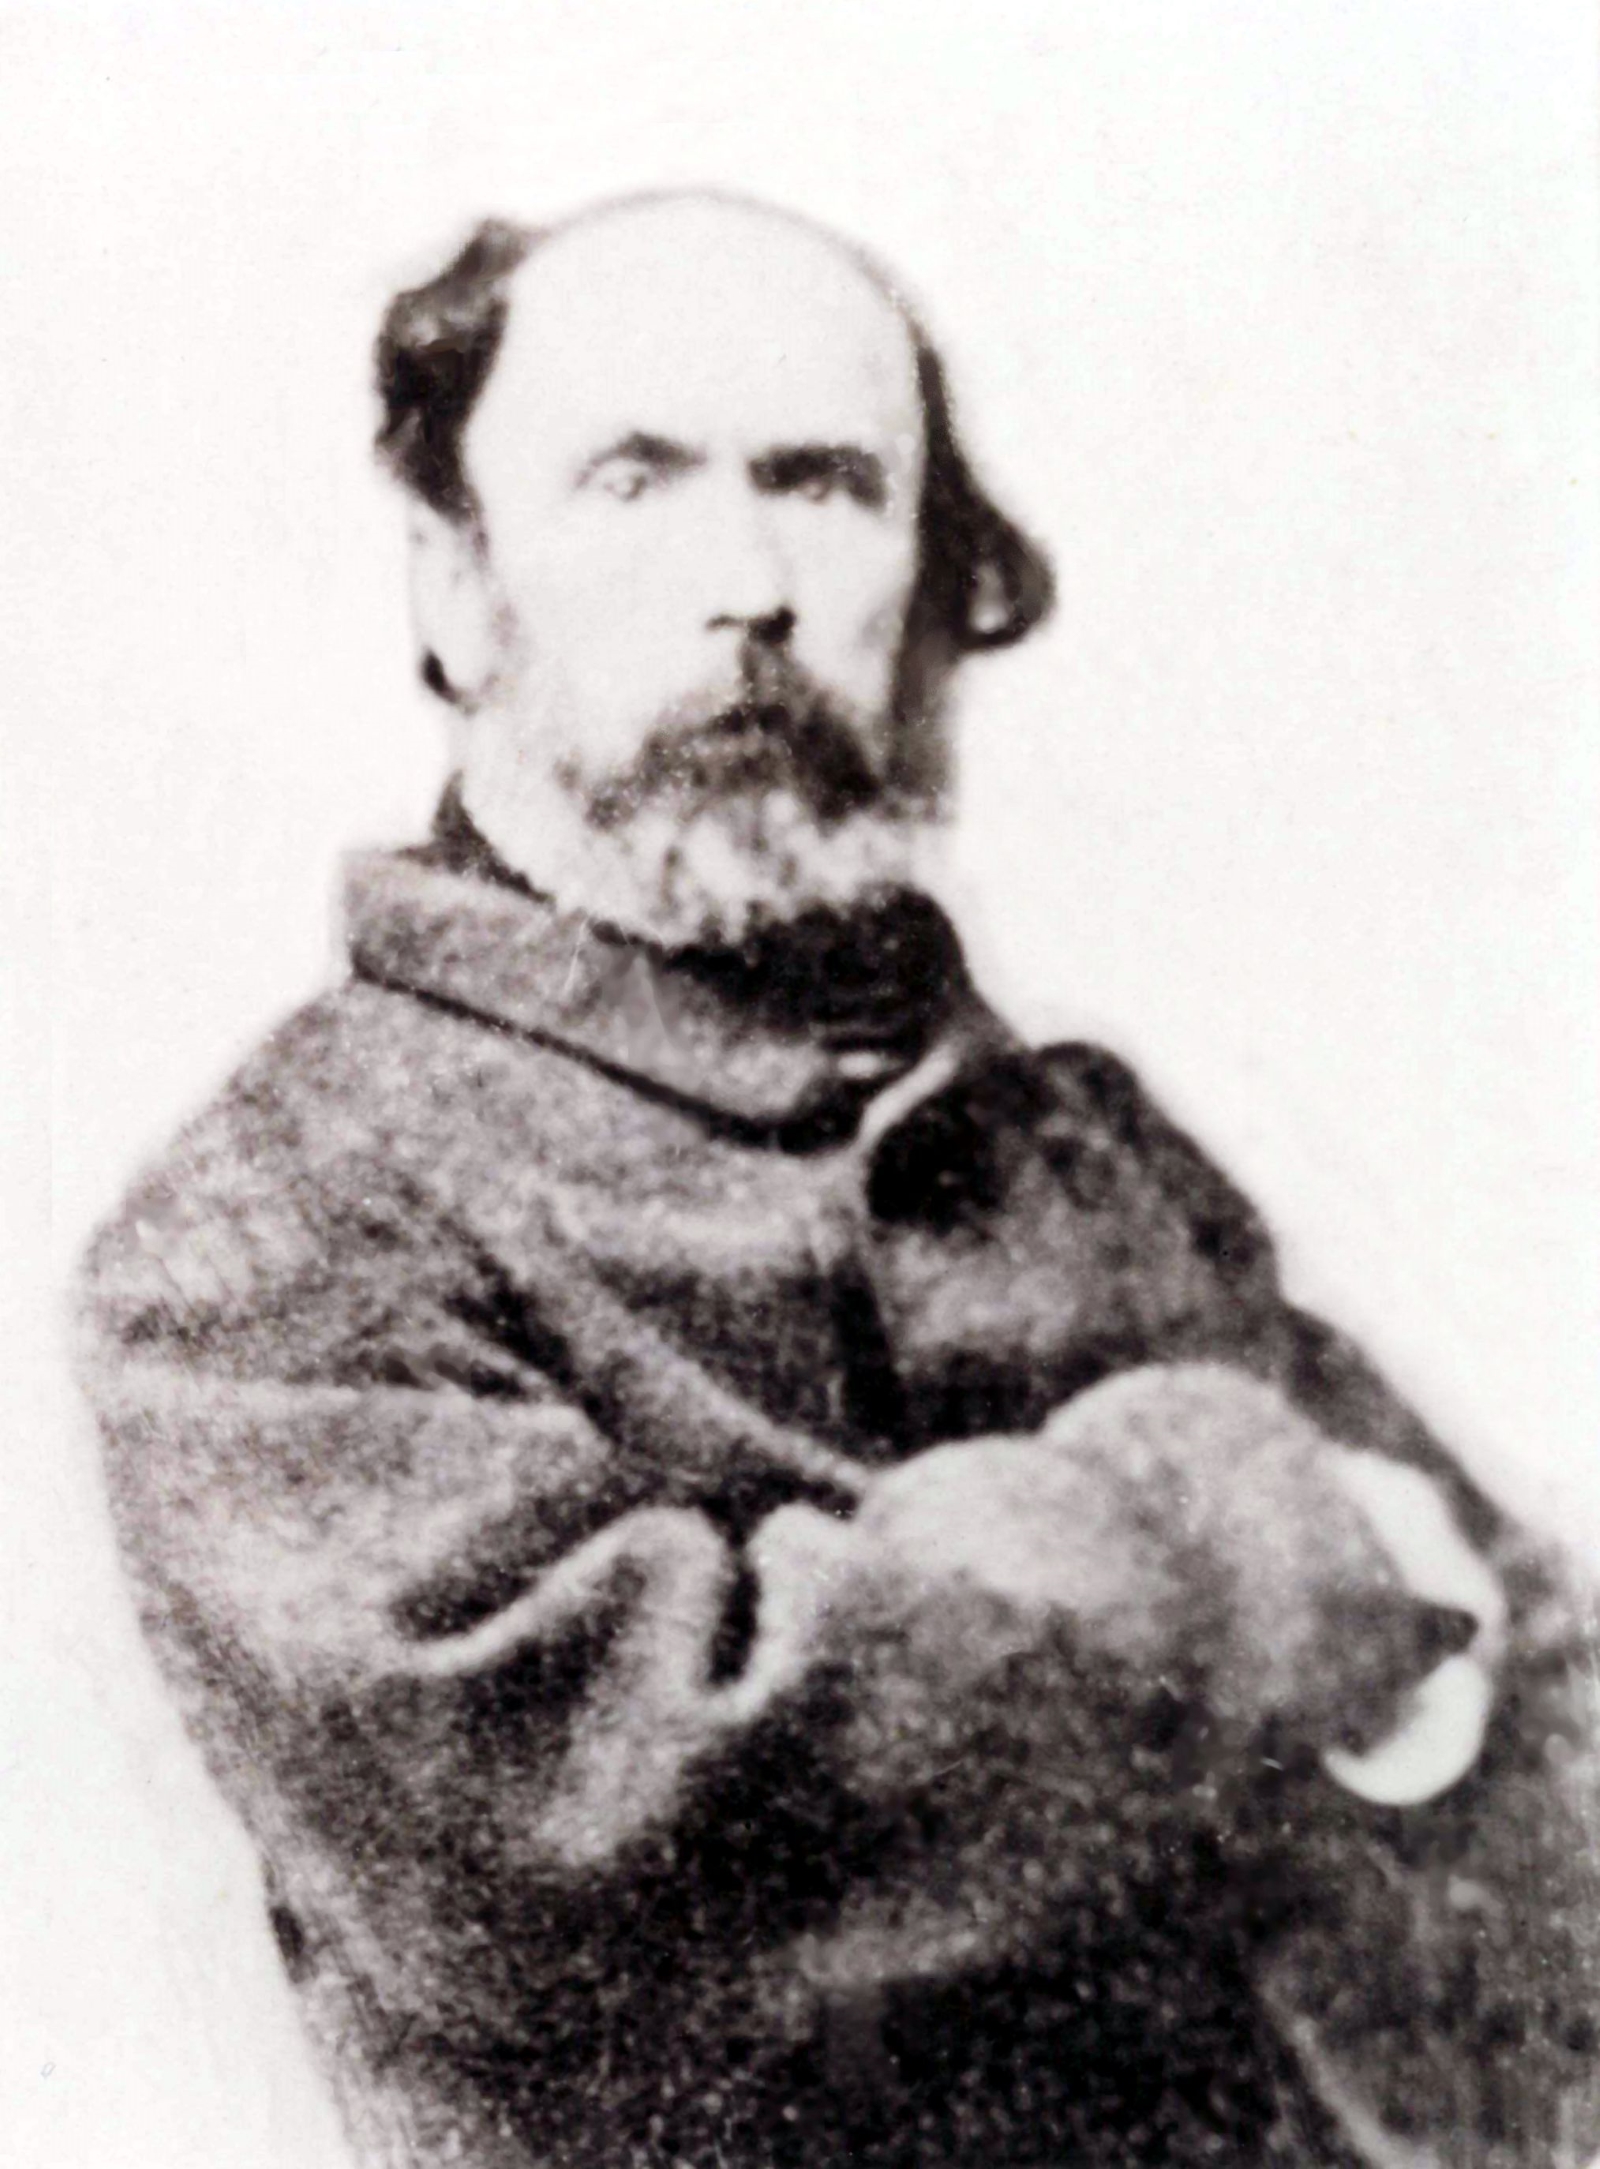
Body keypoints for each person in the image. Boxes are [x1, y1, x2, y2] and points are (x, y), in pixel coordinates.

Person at [75, 191, 1599, 2169]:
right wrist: (1219, 1544)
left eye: (826, 485)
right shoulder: (274, 1226)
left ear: (930, 592)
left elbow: (1522, 1675)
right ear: (455, 584)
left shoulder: (1070, 1141)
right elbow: (573, 1830)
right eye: (634, 480)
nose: (750, 584)